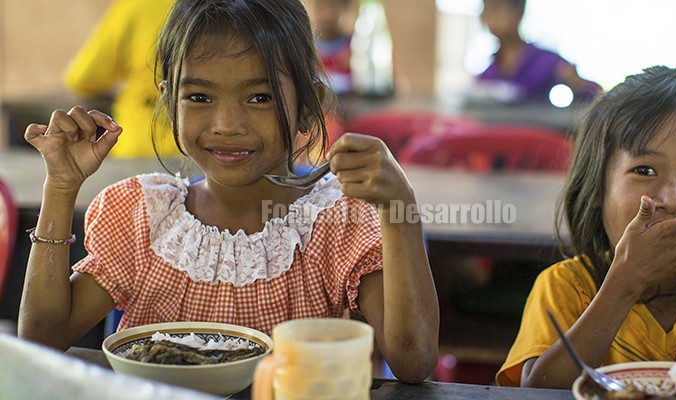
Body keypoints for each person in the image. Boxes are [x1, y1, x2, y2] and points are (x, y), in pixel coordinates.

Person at [18, 0, 439, 384]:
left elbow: (413, 361)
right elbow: (42, 339)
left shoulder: (335, 223)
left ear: (307, 104)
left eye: (259, 97)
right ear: (169, 101)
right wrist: (60, 187)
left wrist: (398, 209)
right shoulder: (145, 217)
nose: (226, 123)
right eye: (199, 96)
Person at [495, 66, 676, 399]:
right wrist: (625, 283)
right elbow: (538, 392)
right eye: (645, 170)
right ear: (597, 191)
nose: (673, 200)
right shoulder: (566, 288)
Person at [63, 0, 178, 158]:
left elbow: (82, 78)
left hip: (142, 146)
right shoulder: (218, 7)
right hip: (205, 149)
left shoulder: (137, 6)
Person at [475, 0, 601, 104]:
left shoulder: (549, 63)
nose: (487, 17)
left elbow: (594, 97)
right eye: (485, 10)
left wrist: (578, 85)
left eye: (495, 9)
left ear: (519, 12)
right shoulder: (487, 74)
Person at [306, 0, 354, 95]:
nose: (326, 14)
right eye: (319, 6)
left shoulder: (355, 46)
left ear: (344, 7)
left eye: (332, 6)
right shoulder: (304, 49)